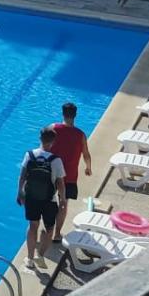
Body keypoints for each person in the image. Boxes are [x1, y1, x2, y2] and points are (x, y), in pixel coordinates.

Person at [16, 124, 67, 272]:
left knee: (33, 226)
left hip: (31, 198)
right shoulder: (56, 160)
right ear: (53, 142)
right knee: (49, 228)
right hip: (49, 200)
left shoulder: (29, 155)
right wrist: (63, 200)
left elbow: (22, 176)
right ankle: (41, 254)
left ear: (40, 138)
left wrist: (19, 192)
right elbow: (60, 183)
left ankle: (29, 259)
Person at [48, 103, 93, 243]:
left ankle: (47, 229)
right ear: (75, 115)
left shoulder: (53, 128)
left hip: (51, 173)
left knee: (46, 201)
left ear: (63, 113)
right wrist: (88, 167)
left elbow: (43, 147)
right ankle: (57, 234)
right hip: (69, 176)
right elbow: (86, 154)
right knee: (63, 204)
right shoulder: (80, 135)